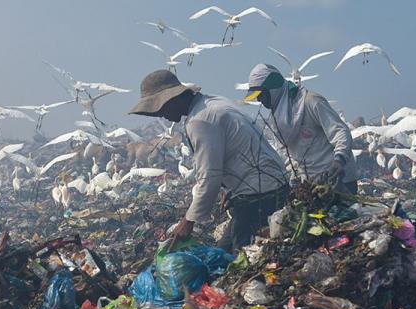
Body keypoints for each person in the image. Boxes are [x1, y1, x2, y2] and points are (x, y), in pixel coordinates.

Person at [129, 70, 288, 252]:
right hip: (271, 185)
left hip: (261, 195)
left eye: (162, 107)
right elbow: (237, 151)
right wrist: (232, 188)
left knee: (242, 256)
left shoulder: (199, 120)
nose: (161, 114)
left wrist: (188, 221)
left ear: (173, 99)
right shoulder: (212, 102)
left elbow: (209, 176)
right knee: (222, 251)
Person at [245, 64, 358, 194]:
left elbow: (340, 132)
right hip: (312, 185)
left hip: (339, 179)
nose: (259, 99)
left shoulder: (311, 102)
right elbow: (289, 155)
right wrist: (292, 179)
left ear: (272, 89)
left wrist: (338, 161)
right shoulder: (277, 120)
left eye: (261, 94)